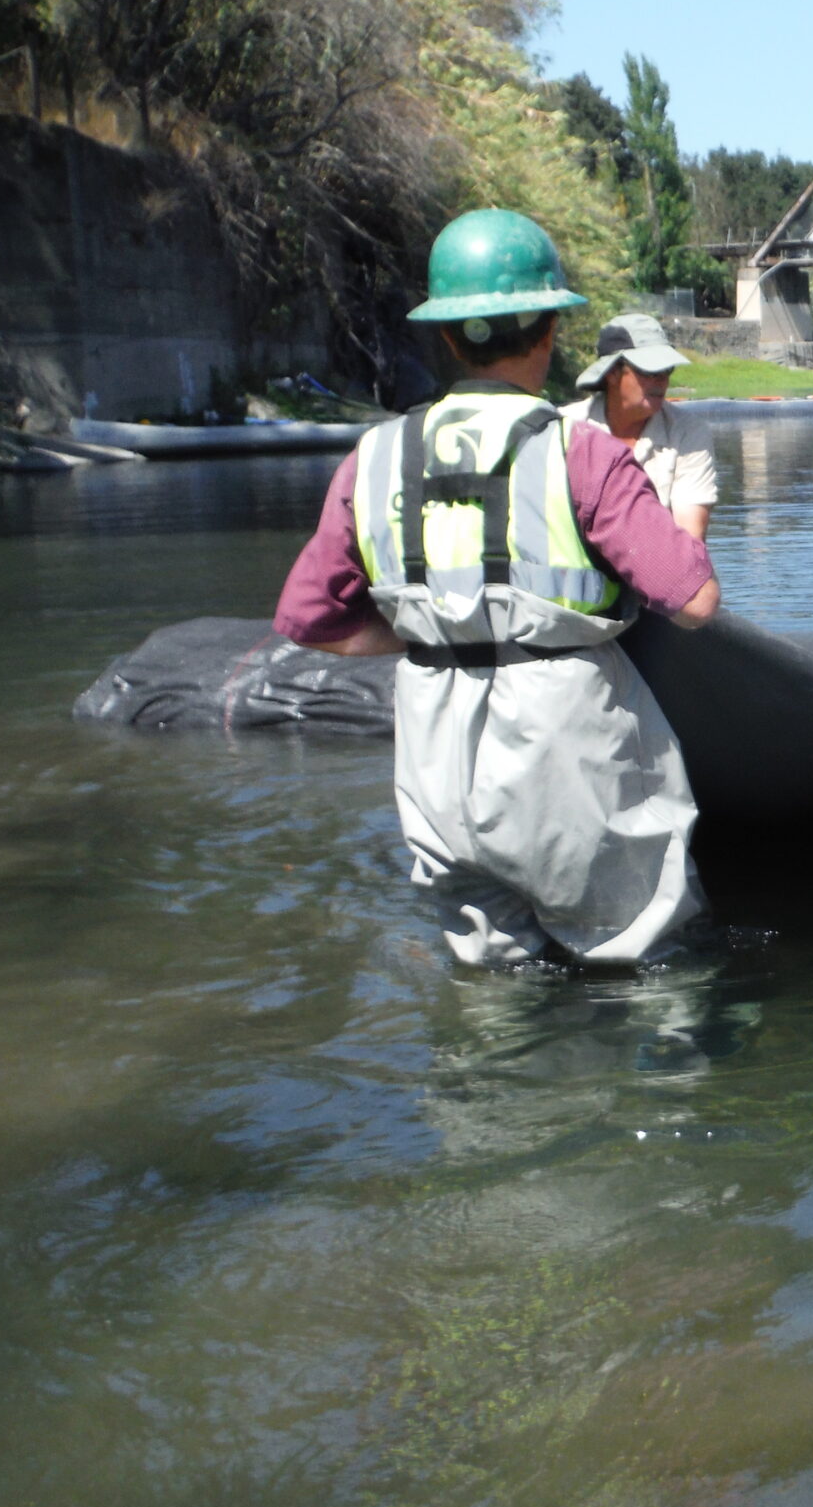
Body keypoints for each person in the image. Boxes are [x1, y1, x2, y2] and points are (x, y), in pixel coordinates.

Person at [272, 208, 721, 967]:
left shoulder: (372, 458)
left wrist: (423, 629)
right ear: (549, 334)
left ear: (447, 337)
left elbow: (308, 620)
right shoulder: (584, 453)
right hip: (565, 752)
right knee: (645, 967)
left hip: (436, 760)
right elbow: (695, 600)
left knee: (494, 987)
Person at [563, 313, 716, 541]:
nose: (661, 381)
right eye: (650, 371)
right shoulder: (563, 428)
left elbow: (690, 539)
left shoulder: (689, 433)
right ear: (613, 373)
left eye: (667, 371)